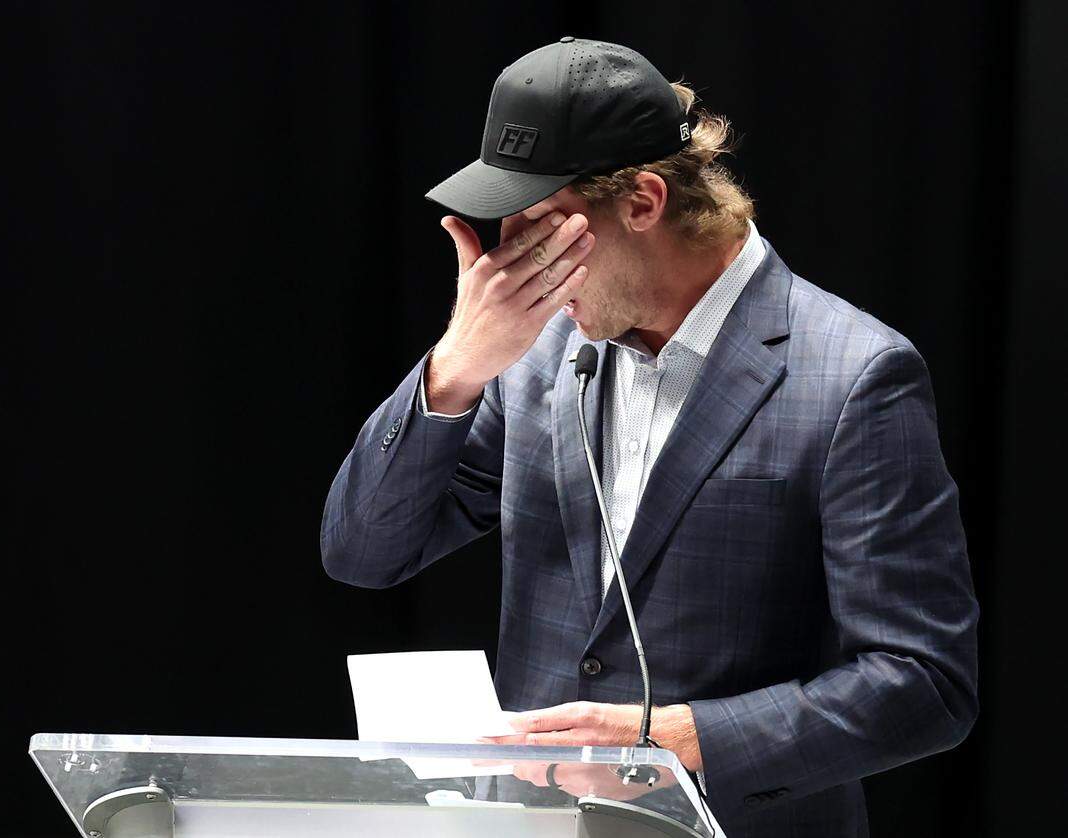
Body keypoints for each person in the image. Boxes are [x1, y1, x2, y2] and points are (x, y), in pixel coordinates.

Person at [320, 37, 979, 837]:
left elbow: (924, 686)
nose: (512, 264)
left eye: (543, 229)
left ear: (641, 201)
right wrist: (454, 369)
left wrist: (670, 741)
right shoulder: (533, 357)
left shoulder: (854, 376)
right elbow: (364, 553)